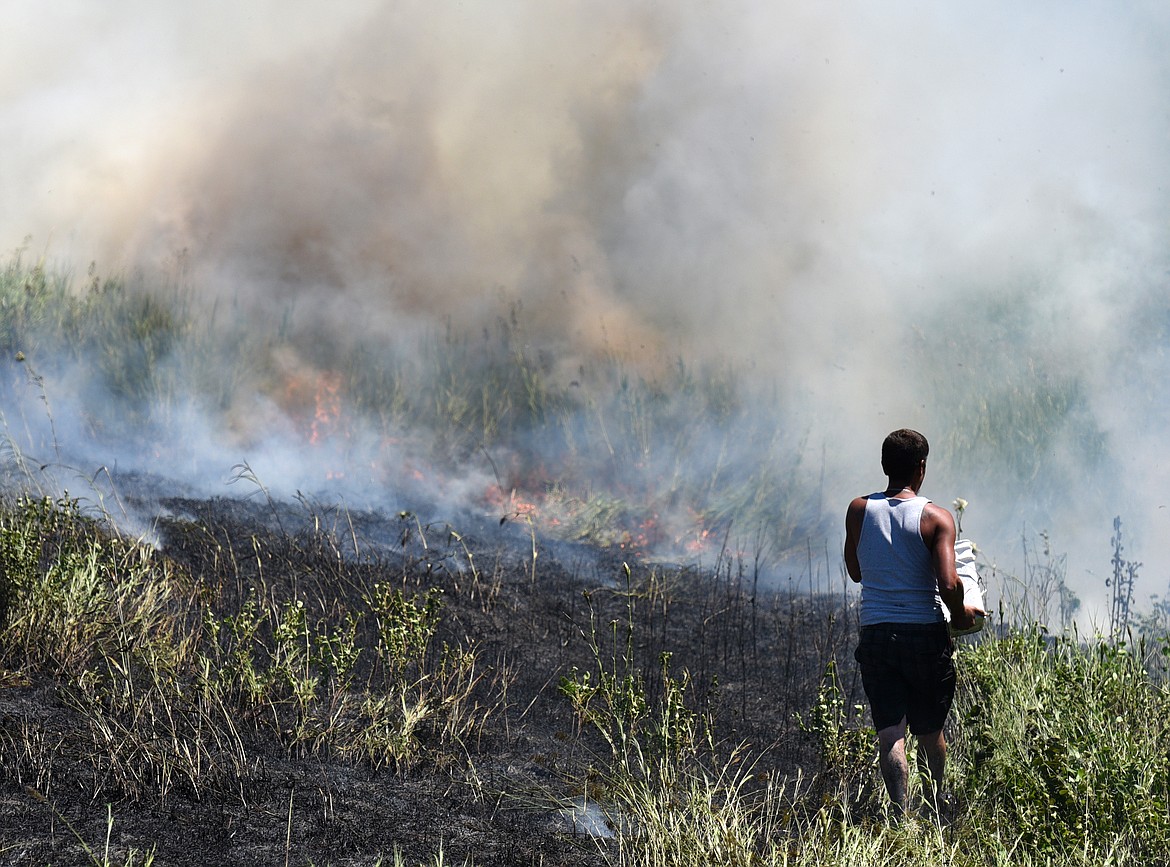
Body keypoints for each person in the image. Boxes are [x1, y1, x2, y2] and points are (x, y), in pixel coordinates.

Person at [843, 428, 982, 820]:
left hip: (876, 633)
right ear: (921, 468)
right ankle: (939, 802)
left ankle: (900, 817)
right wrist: (960, 614)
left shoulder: (858, 510)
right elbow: (949, 582)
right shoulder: (936, 517)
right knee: (930, 730)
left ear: (885, 466)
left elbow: (855, 572)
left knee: (891, 734)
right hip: (924, 633)